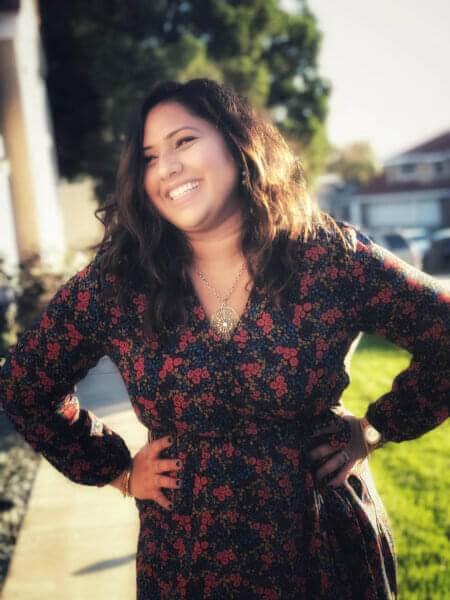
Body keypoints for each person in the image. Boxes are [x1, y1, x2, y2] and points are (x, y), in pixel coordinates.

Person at [0, 78, 448, 600]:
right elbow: (25, 384)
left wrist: (376, 428)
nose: (167, 167)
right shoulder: (119, 283)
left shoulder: (326, 257)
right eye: (149, 157)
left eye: (184, 141)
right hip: (188, 560)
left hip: (322, 547)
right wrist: (118, 471)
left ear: (237, 144)